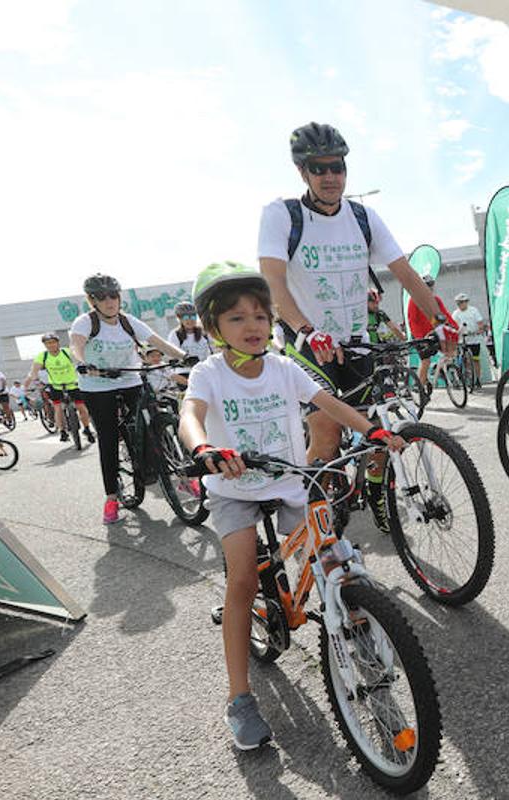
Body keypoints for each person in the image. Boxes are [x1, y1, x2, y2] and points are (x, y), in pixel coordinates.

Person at [177, 261, 405, 751]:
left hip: (288, 482)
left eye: (260, 315)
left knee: (333, 556)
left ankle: (357, 631)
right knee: (241, 581)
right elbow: (190, 416)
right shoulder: (209, 373)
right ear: (213, 327)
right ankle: (240, 698)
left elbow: (327, 402)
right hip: (234, 490)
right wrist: (204, 450)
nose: (253, 326)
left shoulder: (284, 367)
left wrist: (372, 430)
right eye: (237, 318)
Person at [257, 121, 444, 531]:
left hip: (357, 343)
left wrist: (441, 321)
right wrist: (306, 330)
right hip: (307, 344)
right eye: (318, 168)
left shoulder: (362, 217)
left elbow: (406, 273)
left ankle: (377, 490)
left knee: (377, 430)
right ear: (302, 172)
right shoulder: (282, 215)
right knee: (325, 433)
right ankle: (314, 514)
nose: (330, 177)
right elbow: (272, 283)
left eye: (337, 167)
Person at [70, 273, 185, 524]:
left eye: (114, 295)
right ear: (92, 300)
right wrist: (85, 364)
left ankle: (177, 476)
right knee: (109, 438)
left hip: (130, 379)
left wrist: (184, 356)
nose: (110, 301)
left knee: (155, 422)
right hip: (97, 384)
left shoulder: (128, 322)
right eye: (102, 297)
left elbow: (159, 342)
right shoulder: (85, 322)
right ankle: (111, 497)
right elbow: (76, 347)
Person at [24, 333, 94, 443]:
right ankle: (62, 431)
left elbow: (80, 358)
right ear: (45, 345)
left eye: (53, 342)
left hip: (73, 385)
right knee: (58, 409)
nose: (50, 345)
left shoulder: (67, 352)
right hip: (56, 386)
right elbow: (33, 372)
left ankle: (87, 429)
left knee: (81, 408)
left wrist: (87, 367)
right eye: (47, 343)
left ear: (58, 343)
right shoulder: (42, 356)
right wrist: (27, 386)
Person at [406, 274, 460, 394]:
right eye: (426, 286)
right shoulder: (414, 300)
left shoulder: (436, 300)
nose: (429, 288)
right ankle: (418, 386)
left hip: (433, 333)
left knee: (451, 350)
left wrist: (455, 327)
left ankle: (439, 368)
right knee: (426, 361)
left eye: (431, 286)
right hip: (420, 335)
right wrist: (421, 338)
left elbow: (445, 315)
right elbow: (412, 321)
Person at [452, 293, 487, 384]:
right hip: (462, 340)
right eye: (458, 303)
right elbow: (453, 326)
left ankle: (478, 379)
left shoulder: (473, 310)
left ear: (467, 302)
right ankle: (467, 377)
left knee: (476, 360)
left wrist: (480, 329)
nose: (460, 305)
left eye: (462, 302)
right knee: (465, 359)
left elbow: (480, 322)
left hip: (474, 338)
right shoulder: (456, 313)